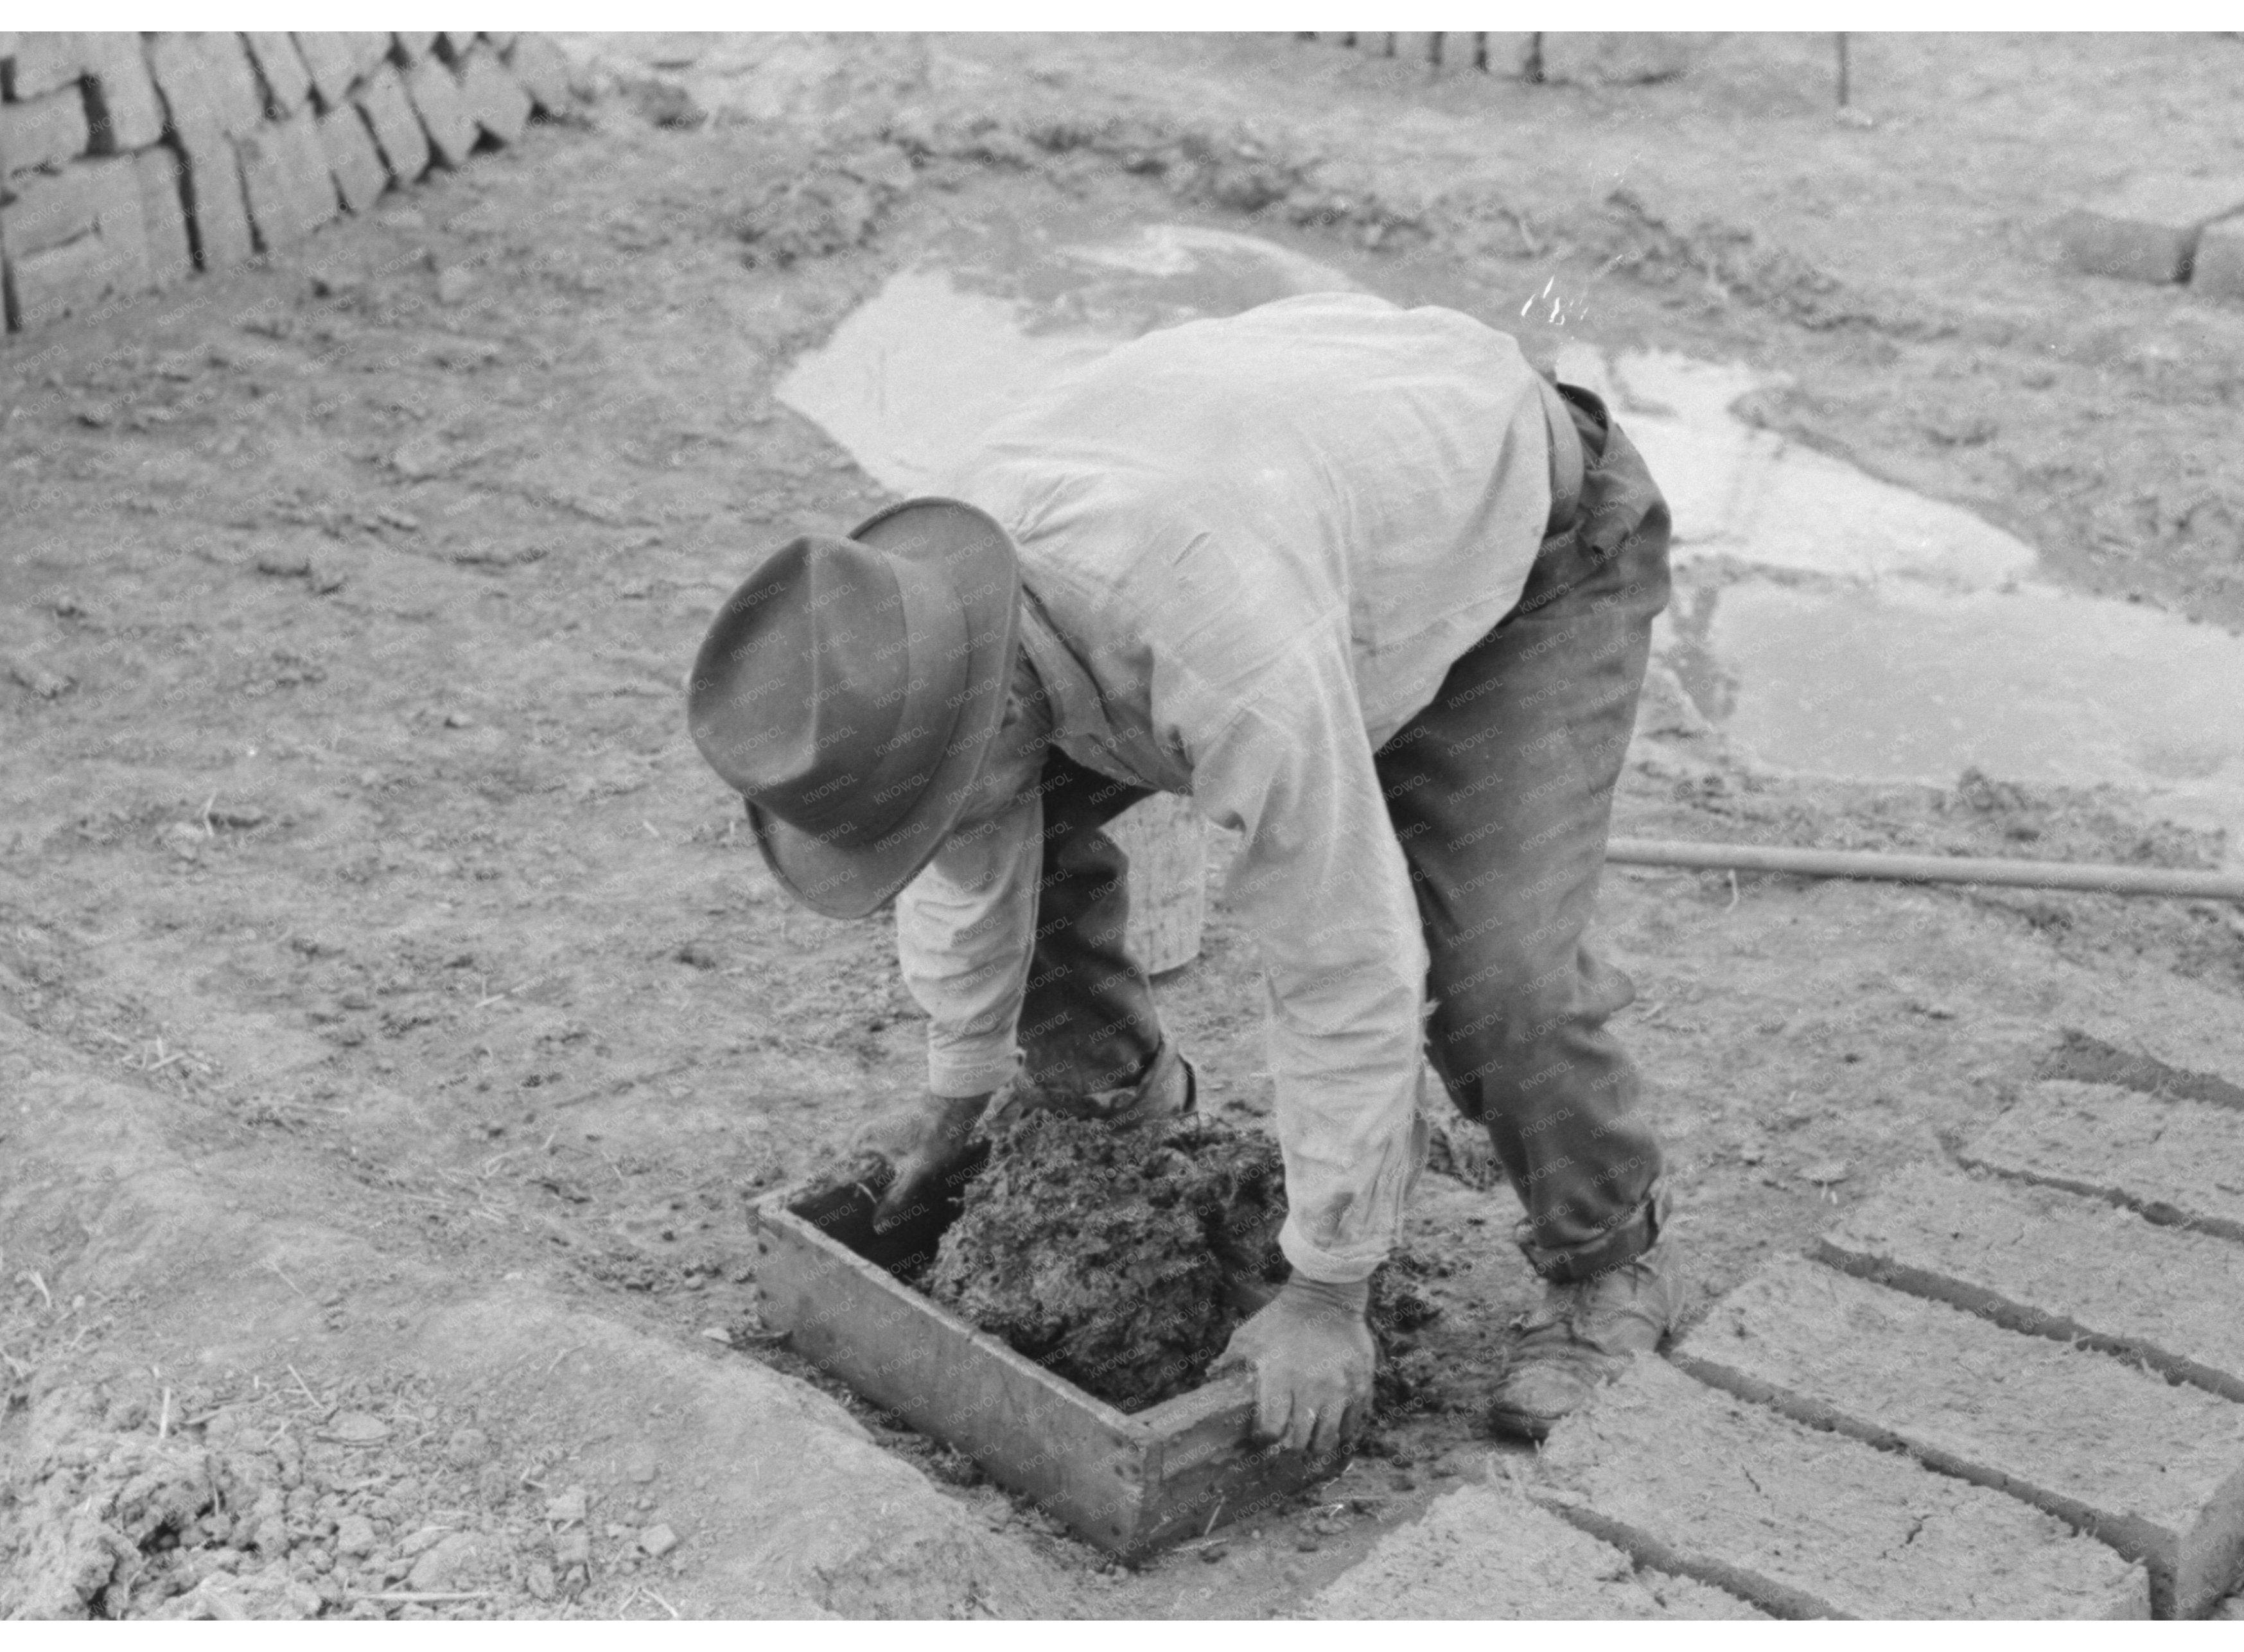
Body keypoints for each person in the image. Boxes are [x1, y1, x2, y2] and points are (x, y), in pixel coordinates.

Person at [688, 291, 1681, 1458]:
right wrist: (957, 1089)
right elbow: (969, 860)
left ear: (993, 704)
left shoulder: (1214, 638)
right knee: (1022, 815)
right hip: (1314, 530)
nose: (938, 839)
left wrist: (1326, 1288)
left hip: (1525, 551)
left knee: (1494, 975)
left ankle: (1610, 1258)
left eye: (938, 804)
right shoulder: (918, 630)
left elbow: (1342, 958)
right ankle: (1111, 1113)